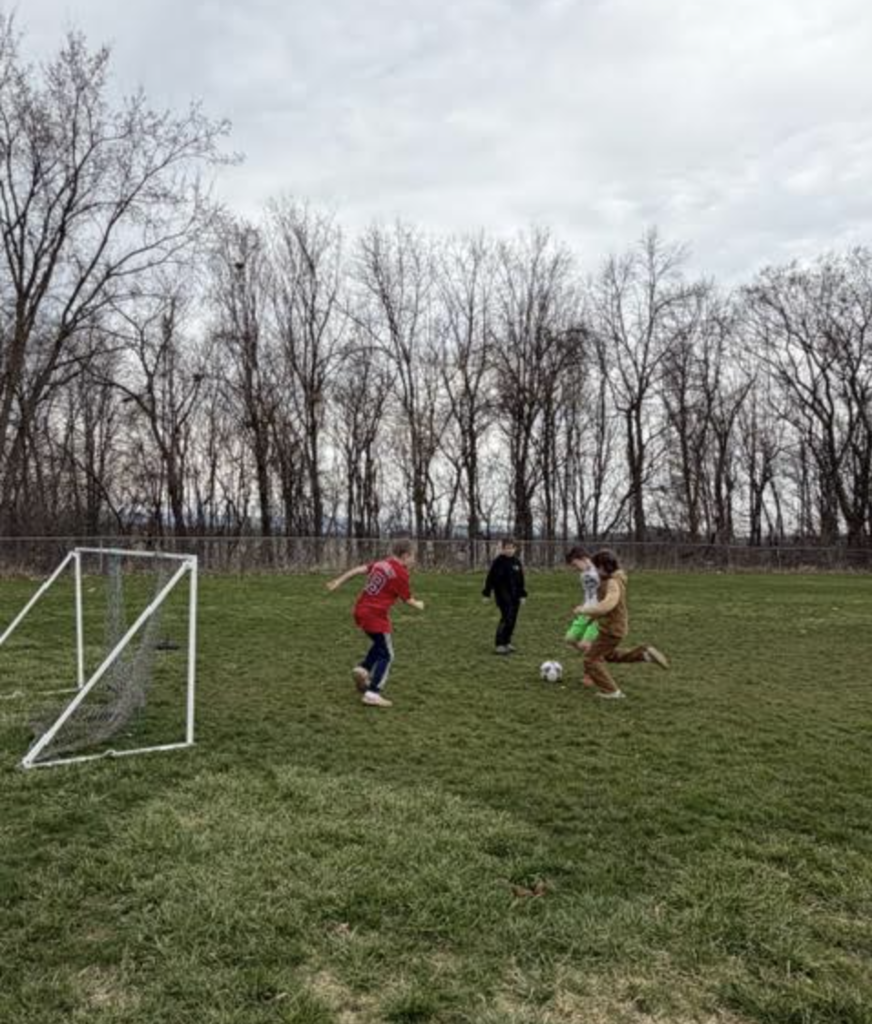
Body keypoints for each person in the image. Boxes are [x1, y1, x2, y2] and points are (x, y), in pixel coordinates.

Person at [326, 538, 424, 708]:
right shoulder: (400, 573)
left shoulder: (382, 564)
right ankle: (373, 693)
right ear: (406, 555)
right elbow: (408, 599)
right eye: (413, 556)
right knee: (387, 654)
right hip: (375, 615)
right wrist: (419, 604)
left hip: (360, 610)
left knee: (380, 644)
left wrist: (338, 581)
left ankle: (364, 668)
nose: (414, 560)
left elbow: (358, 570)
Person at [580, 549, 669, 700]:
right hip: (614, 627)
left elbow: (608, 604)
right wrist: (590, 617)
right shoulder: (611, 580)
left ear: (602, 566)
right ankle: (643, 654)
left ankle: (612, 691)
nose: (594, 571)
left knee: (590, 659)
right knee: (608, 655)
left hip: (611, 630)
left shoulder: (613, 583)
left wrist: (587, 609)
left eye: (595, 568)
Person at [482, 538, 527, 654]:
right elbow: (490, 578)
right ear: (502, 549)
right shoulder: (498, 562)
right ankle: (499, 644)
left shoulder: (516, 562)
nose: (509, 550)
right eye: (506, 548)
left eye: (511, 548)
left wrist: (522, 594)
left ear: (515, 549)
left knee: (512, 619)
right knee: (506, 617)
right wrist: (487, 593)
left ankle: (507, 642)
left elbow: (521, 580)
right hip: (502, 595)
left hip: (515, 595)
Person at [564, 546, 600, 655]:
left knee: (585, 645)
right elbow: (588, 593)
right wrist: (583, 606)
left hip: (598, 613)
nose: (575, 568)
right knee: (569, 639)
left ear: (583, 559)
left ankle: (594, 657)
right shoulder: (583, 575)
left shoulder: (599, 571)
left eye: (575, 564)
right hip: (585, 611)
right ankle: (598, 653)